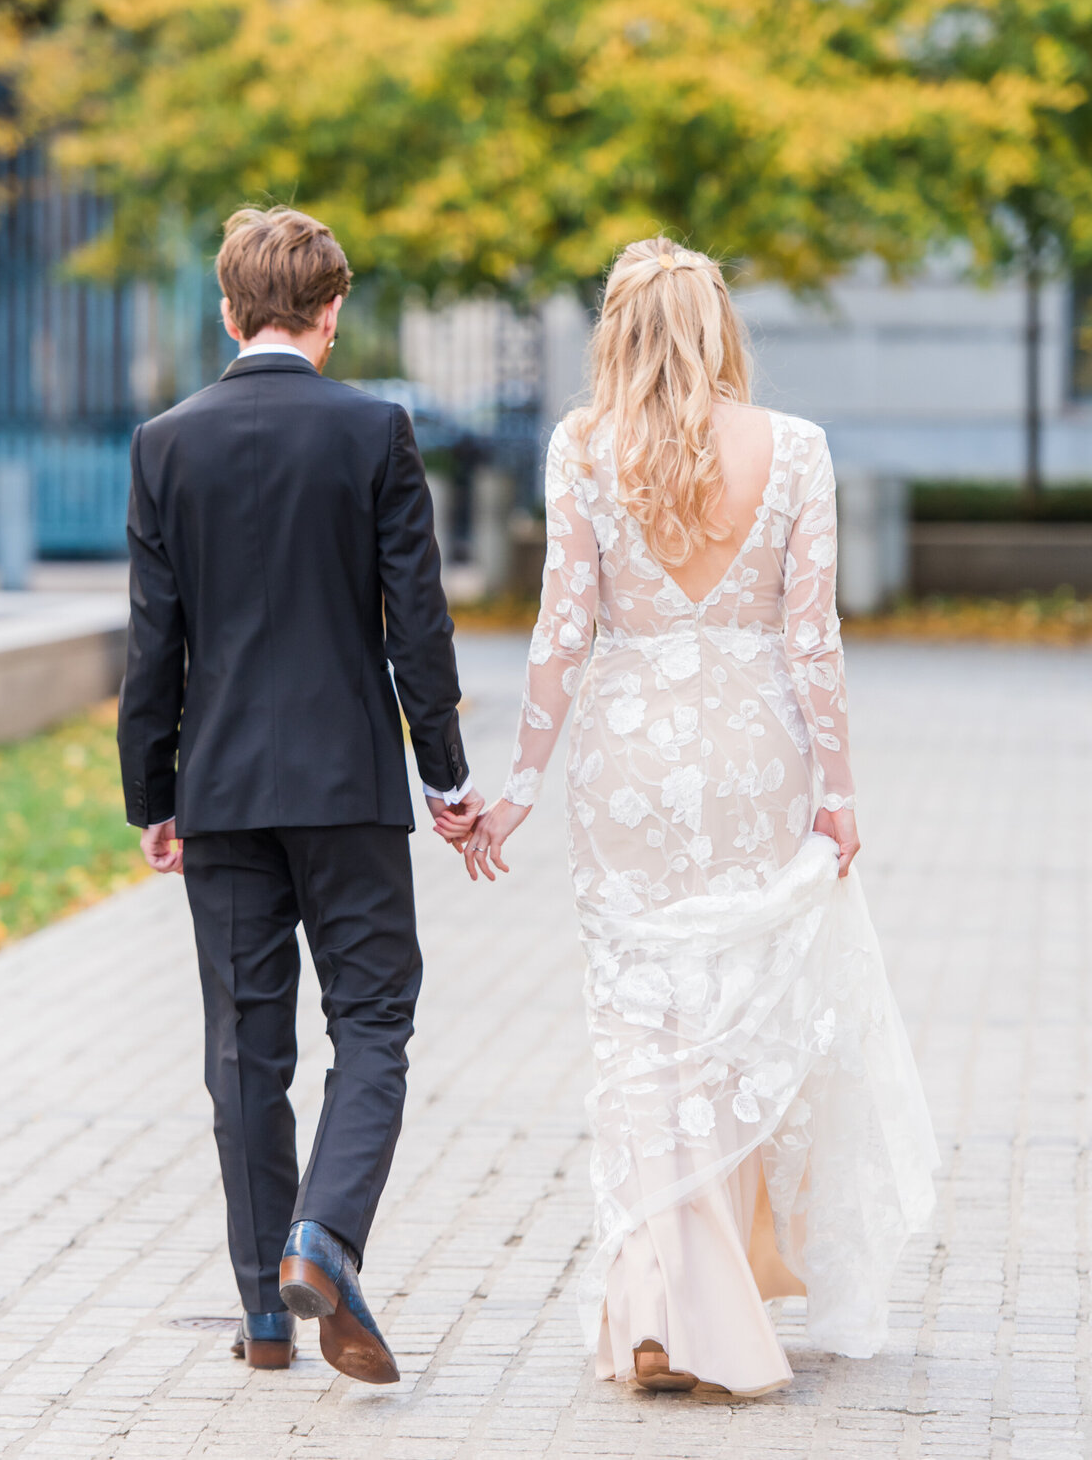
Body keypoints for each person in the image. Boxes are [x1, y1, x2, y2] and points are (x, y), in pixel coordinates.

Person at [465, 235, 938, 1395]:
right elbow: (810, 637)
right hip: (754, 756)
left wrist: (514, 788)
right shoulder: (797, 451)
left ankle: (659, 1306)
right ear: (720, 325)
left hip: (627, 762)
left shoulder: (581, 448)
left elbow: (561, 630)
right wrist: (838, 792)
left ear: (616, 334)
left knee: (643, 1033)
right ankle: (699, 1300)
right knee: (737, 1016)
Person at [117, 206, 482, 1382]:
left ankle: (264, 1313)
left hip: (220, 786)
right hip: (349, 785)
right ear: (332, 312)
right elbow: (413, 622)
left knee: (243, 1044)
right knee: (373, 1021)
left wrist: (150, 793)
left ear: (227, 311)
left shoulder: (164, 442)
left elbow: (151, 642)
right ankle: (324, 1239)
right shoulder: (376, 431)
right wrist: (448, 774)